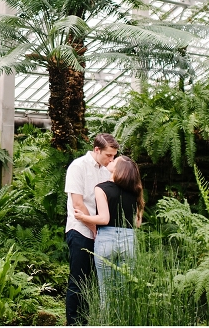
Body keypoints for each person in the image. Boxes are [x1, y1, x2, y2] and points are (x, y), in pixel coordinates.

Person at [64, 133, 119, 325]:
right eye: (109, 155)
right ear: (97, 150)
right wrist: (94, 228)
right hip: (80, 230)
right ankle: (73, 323)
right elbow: (78, 204)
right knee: (78, 282)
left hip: (101, 233)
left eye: (114, 156)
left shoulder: (107, 171)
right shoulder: (78, 167)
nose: (112, 160)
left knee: (94, 284)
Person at [74, 155, 144, 305]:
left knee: (106, 293)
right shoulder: (135, 191)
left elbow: (104, 219)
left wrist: (82, 217)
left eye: (115, 161)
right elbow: (137, 223)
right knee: (123, 293)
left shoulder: (101, 188)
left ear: (119, 169)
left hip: (107, 239)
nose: (111, 161)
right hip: (128, 240)